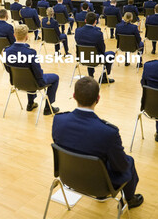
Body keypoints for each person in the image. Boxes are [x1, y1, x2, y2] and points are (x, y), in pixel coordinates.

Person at [52, 77, 143, 209]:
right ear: (98, 99)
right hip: (100, 186)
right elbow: (121, 166)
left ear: (74, 96)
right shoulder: (108, 132)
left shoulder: (58, 120)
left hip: (69, 178)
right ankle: (129, 199)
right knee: (129, 162)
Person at [3, 25, 59, 114]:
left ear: (14, 35)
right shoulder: (30, 52)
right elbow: (38, 73)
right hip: (33, 83)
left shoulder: (6, 51)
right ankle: (48, 108)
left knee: (29, 75)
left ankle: (30, 103)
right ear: (27, 36)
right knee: (55, 77)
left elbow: (7, 69)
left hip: (16, 82)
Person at [75, 12, 115, 84]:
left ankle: (91, 75)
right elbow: (102, 49)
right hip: (95, 58)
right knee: (111, 54)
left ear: (85, 20)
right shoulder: (98, 34)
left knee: (89, 52)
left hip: (82, 57)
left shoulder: (77, 31)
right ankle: (104, 77)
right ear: (95, 21)